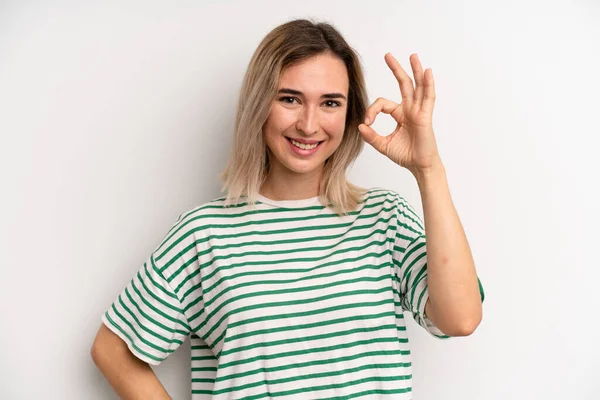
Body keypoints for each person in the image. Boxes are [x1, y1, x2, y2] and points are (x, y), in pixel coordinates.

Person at [91, 18, 485, 400]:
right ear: (259, 104)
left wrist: (428, 170)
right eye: (290, 99)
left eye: (330, 102)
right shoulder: (204, 233)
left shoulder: (384, 218)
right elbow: (113, 350)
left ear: (349, 115)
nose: (309, 124)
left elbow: (461, 319)